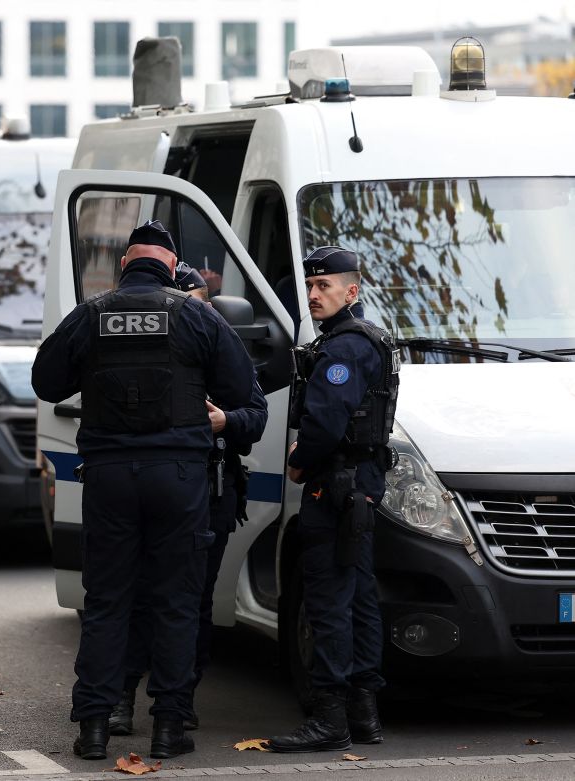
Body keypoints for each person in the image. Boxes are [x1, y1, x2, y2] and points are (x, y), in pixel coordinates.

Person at [32, 221, 256, 761]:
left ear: (125, 265)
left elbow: (45, 382)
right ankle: (169, 726)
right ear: (173, 266)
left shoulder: (92, 315)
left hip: (109, 479)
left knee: (108, 600)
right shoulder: (198, 315)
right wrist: (226, 422)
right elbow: (251, 408)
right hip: (179, 480)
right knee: (176, 601)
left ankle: (93, 726)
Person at [111, 261, 269, 735]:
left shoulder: (223, 350)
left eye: (199, 305)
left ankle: (177, 698)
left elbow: (255, 414)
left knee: (192, 601)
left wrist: (226, 422)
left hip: (209, 489)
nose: (198, 317)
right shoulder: (137, 356)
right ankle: (121, 696)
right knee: (136, 596)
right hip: (149, 489)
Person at [267, 246, 399, 753]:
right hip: (360, 485)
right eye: (311, 286)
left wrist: (302, 459)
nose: (315, 295)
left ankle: (330, 719)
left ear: (353, 291)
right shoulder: (370, 338)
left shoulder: (343, 348)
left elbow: (324, 422)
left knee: (328, 603)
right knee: (360, 598)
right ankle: (364, 715)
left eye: (325, 286)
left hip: (335, 485)